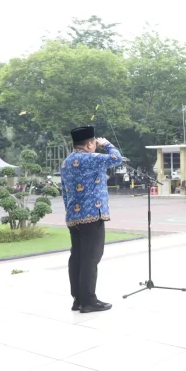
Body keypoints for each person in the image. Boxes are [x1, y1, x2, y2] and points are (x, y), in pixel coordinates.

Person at [61, 126, 123, 313]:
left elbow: (64, 191)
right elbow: (116, 159)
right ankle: (88, 300)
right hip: (92, 215)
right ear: (89, 144)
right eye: (95, 143)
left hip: (73, 216)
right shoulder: (90, 158)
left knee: (77, 257)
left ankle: (78, 299)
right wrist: (108, 144)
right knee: (91, 258)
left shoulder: (66, 162)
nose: (96, 146)